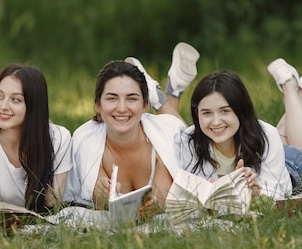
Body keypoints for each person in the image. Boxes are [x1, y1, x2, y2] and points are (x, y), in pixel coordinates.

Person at [64, 43, 200, 209]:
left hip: (166, 131)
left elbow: (159, 204)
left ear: (144, 105)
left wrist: (154, 207)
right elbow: (101, 202)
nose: (121, 108)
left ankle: (160, 97)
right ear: (98, 105)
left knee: (187, 137)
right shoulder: (86, 142)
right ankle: (167, 93)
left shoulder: (168, 140)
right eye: (112, 98)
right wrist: (102, 193)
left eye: (132, 98)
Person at [176, 58, 302, 200]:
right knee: (273, 136)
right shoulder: (189, 142)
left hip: (295, 167)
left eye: (225, 111)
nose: (216, 122)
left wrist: (256, 191)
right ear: (197, 114)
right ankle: (301, 92)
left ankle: (290, 86)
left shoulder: (267, 135)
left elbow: (278, 193)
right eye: (207, 113)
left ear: (241, 109)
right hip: (268, 153)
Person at [0, 64, 72, 213]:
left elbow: (51, 203)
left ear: (34, 105)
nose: (3, 106)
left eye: (15, 100)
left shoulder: (59, 138)